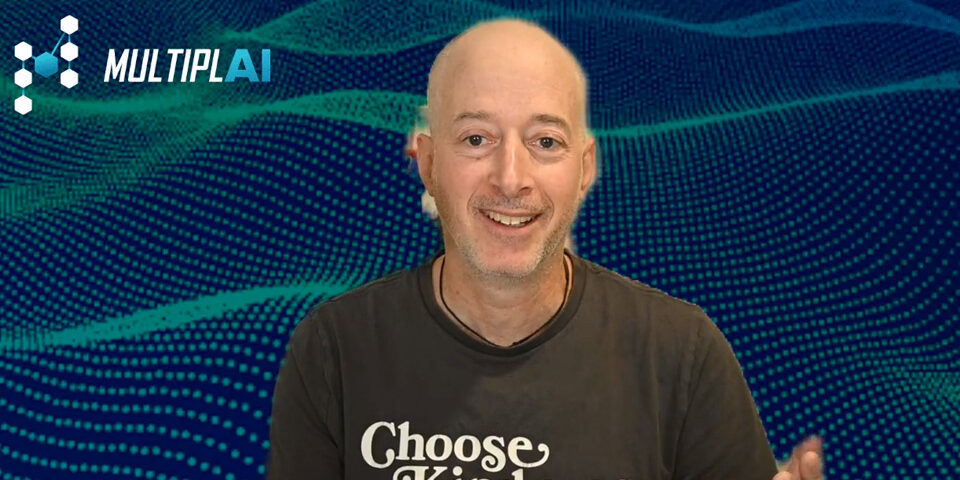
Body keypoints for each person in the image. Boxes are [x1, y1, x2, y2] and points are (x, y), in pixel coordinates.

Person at [266, 18, 824, 480]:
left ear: (585, 169)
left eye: (545, 142)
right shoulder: (334, 351)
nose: (511, 178)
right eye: (477, 139)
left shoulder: (681, 355)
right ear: (430, 165)